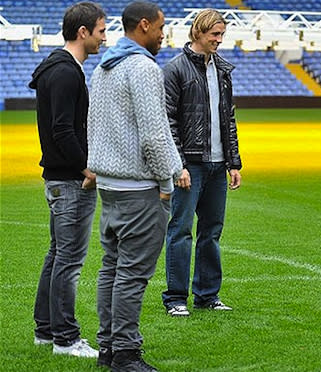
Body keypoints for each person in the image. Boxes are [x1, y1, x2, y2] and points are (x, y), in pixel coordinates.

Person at [87, 2, 182, 370]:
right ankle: (126, 353)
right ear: (143, 26)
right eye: (160, 27)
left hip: (108, 185)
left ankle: (108, 347)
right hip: (137, 187)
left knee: (111, 269)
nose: (162, 34)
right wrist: (166, 180)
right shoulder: (142, 67)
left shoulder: (105, 66)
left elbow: (93, 125)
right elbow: (154, 135)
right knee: (131, 274)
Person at [29, 1, 106, 358]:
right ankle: (66, 339)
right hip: (69, 182)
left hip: (61, 179)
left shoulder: (60, 69)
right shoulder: (64, 72)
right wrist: (85, 168)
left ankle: (46, 332)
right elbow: (62, 129)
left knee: (58, 255)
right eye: (101, 31)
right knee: (69, 261)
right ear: (83, 32)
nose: (103, 39)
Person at [161, 8, 242, 317]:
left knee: (212, 231)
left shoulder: (222, 70)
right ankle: (176, 298)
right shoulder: (175, 70)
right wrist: (178, 164)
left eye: (221, 35)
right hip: (190, 165)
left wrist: (234, 162)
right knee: (180, 230)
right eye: (214, 35)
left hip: (218, 165)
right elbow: (169, 122)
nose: (219, 41)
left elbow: (229, 119)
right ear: (198, 33)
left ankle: (207, 295)